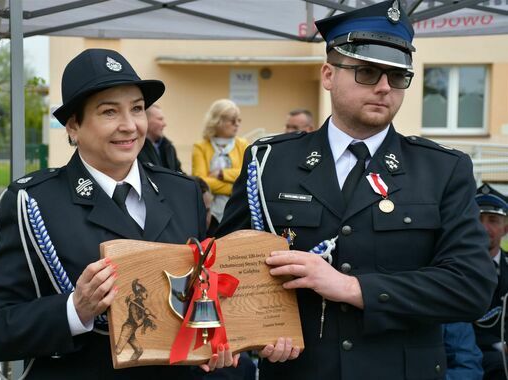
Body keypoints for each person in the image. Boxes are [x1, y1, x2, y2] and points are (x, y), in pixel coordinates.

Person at [216, 1, 497, 379]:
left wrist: (352, 288)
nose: (384, 87)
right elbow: (225, 269)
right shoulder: (269, 161)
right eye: (366, 72)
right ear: (328, 74)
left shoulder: (442, 169)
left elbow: (471, 286)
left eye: (397, 76)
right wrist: (255, 329)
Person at [0, 48, 236, 379]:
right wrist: (74, 310)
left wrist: (221, 341)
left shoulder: (183, 193)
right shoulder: (33, 202)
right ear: (73, 126)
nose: (129, 126)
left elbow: (204, 293)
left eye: (137, 109)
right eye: (109, 112)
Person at [192, 99, 249, 227]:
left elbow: (247, 175)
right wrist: (235, 187)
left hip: (238, 209)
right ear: (217, 121)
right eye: (232, 120)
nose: (237, 124)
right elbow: (201, 183)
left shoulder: (243, 145)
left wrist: (221, 174)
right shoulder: (200, 147)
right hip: (208, 212)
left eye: (239, 120)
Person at [473, 183, 508, 380]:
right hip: (469, 354)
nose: (484, 227)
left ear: (506, 228)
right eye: (478, 219)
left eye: (493, 220)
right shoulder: (451, 269)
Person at [138, 104, 183, 172]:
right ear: (146, 121)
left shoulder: (169, 147)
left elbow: (180, 174)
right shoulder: (137, 149)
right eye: (160, 119)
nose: (164, 124)